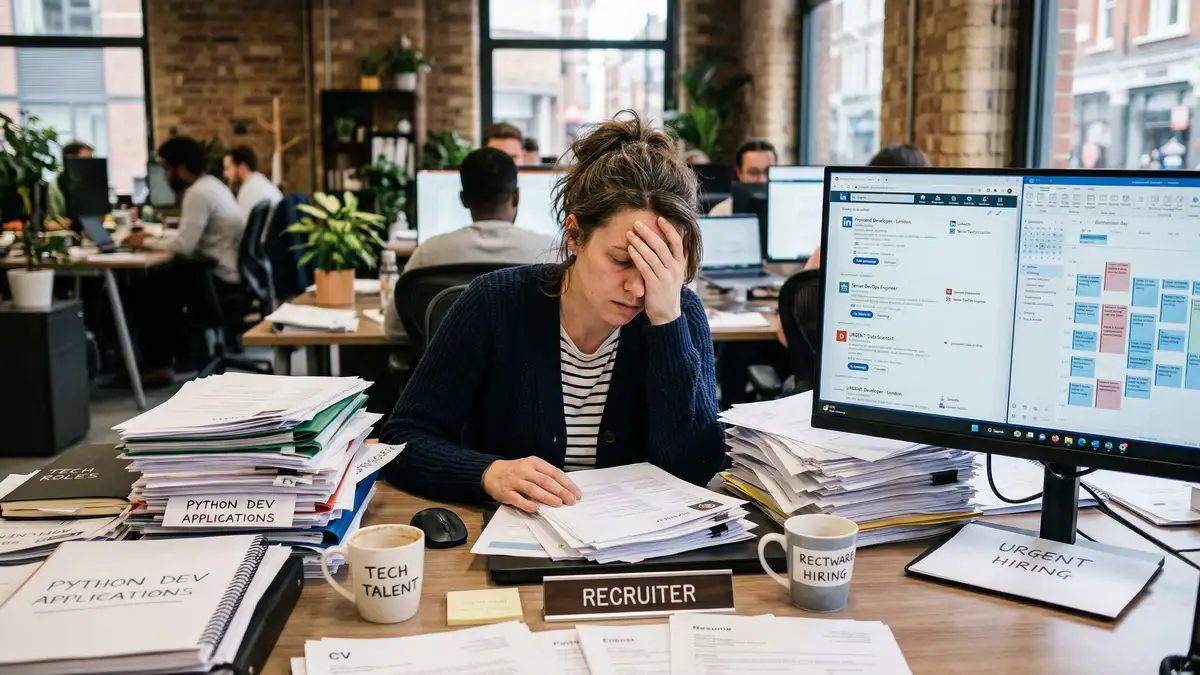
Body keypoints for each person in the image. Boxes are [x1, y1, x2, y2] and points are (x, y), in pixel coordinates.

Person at [380, 112, 724, 511]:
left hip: (636, 553)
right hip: (513, 542)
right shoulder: (494, 303)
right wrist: (487, 473)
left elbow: (695, 468)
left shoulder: (679, 313)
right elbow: (401, 440)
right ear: (575, 235)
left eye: (656, 266)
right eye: (621, 260)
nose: (638, 288)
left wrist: (667, 322)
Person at [383, 147, 557, 340]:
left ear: (463, 199)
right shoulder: (551, 252)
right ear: (516, 196)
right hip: (526, 369)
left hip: (449, 370)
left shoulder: (428, 254)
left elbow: (394, 330)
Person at [124, 136, 246, 382]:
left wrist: (144, 241)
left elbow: (184, 244)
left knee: (146, 290)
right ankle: (181, 357)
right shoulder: (212, 185)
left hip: (216, 279)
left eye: (167, 169)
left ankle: (160, 365)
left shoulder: (197, 193)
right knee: (159, 281)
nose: (166, 176)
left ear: (180, 168)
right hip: (227, 273)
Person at [708, 139, 777, 216]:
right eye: (753, 172)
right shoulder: (721, 213)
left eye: (768, 171)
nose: (762, 180)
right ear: (739, 173)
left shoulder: (790, 208)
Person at [223, 145, 283, 224]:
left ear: (242, 167)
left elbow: (241, 228)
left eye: (228, 168)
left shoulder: (248, 190)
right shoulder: (260, 182)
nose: (225, 174)